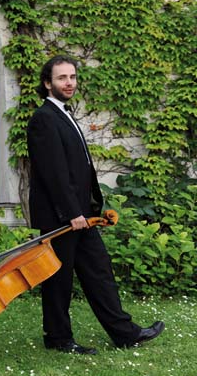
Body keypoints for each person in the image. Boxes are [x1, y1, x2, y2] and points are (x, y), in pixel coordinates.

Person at [26, 54, 164, 354]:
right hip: (62, 216)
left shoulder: (64, 114)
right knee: (58, 280)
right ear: (48, 83)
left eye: (73, 77)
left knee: (99, 271)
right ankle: (58, 339)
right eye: (62, 78)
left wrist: (84, 210)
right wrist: (71, 212)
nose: (70, 83)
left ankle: (125, 333)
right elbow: (53, 172)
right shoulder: (43, 119)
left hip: (81, 214)